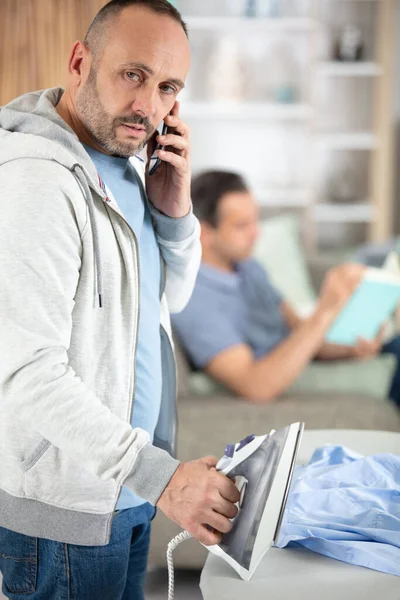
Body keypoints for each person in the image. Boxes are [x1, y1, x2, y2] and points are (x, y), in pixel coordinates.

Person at [0, 4, 240, 599]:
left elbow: (170, 302)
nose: (148, 107)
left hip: (126, 488)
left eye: (168, 88)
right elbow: (26, 373)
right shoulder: (37, 182)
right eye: (132, 75)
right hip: (69, 515)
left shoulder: (126, 166)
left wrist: (174, 209)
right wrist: (165, 480)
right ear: (81, 62)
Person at [172, 170, 400, 405]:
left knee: (394, 345)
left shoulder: (248, 267)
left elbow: (299, 332)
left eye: (255, 221)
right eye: (242, 226)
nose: (256, 233)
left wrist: (350, 350)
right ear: (204, 233)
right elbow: (255, 385)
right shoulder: (193, 298)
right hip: (275, 379)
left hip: (300, 360)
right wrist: (326, 310)